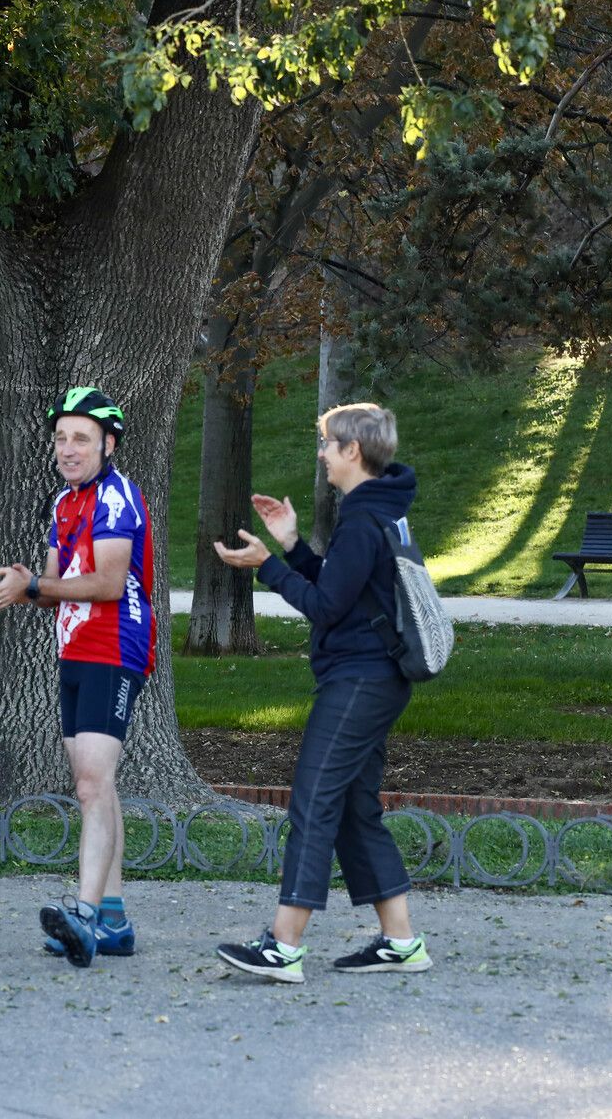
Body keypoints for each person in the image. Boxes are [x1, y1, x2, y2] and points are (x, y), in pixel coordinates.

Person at [211, 402, 431, 983]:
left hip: (362, 679)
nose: (323, 454)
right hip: (374, 676)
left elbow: (326, 607)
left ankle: (283, 945)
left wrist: (266, 567)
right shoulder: (378, 511)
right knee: (356, 808)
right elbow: (346, 589)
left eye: (328, 445)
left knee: (313, 800)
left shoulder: (363, 519)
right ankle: (401, 941)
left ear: (352, 451)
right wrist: (290, 545)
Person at [0, 386, 155, 968]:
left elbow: (105, 585)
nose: (68, 448)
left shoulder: (117, 498)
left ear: (108, 443)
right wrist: (27, 583)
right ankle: (115, 920)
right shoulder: (63, 503)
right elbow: (54, 587)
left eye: (81, 438)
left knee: (90, 784)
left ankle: (83, 913)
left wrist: (37, 586)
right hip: (74, 649)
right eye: (60, 438)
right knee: (96, 787)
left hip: (115, 646)